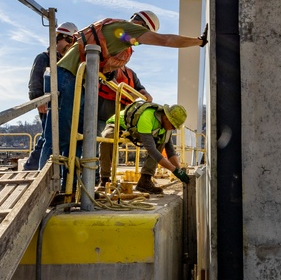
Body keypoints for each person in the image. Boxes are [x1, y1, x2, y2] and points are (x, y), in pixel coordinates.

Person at [40, 10, 207, 172]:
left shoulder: (121, 38)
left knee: (75, 138)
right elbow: (166, 40)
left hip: (78, 81)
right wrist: (199, 41)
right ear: (143, 26)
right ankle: (45, 185)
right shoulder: (129, 28)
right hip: (67, 76)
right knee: (57, 135)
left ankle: (70, 187)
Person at [99, 101, 189, 194]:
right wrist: (173, 170)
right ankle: (105, 179)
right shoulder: (147, 117)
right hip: (121, 124)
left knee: (162, 141)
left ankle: (145, 181)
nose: (173, 129)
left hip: (138, 131)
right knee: (107, 138)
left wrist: (179, 170)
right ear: (166, 118)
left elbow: (170, 150)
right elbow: (151, 150)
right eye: (173, 126)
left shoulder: (166, 127)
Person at [23, 21, 77, 171]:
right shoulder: (44, 58)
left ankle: (35, 167)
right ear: (58, 38)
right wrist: (38, 101)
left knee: (51, 136)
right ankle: (31, 168)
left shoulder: (66, 61)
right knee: (49, 136)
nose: (69, 45)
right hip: (47, 104)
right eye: (68, 40)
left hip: (62, 103)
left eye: (72, 42)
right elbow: (35, 81)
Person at [97, 66, 152, 138]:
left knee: (114, 143)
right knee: (98, 140)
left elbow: (140, 89)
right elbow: (112, 83)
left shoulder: (131, 74)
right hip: (102, 115)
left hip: (119, 119)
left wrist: (146, 94)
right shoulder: (109, 66)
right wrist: (130, 95)